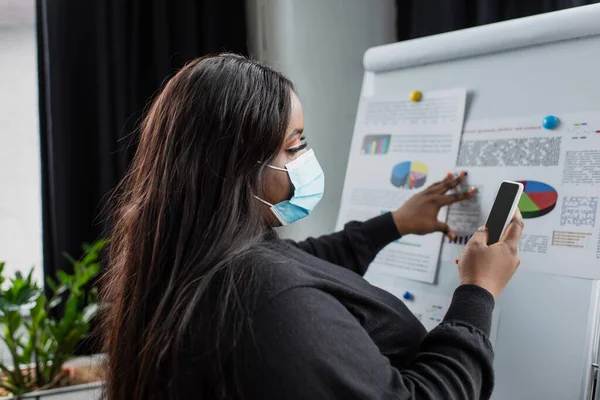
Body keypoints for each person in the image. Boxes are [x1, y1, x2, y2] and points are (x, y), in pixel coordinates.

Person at [102, 53, 524, 400]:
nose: (305, 159)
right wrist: (477, 292)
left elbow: (306, 261)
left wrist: (393, 224)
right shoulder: (269, 302)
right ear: (237, 170)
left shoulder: (188, 254)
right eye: (294, 146)